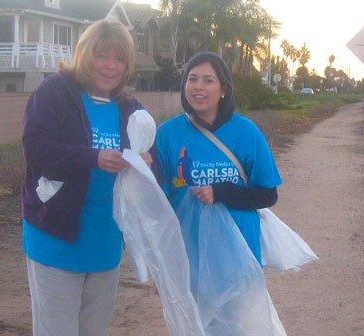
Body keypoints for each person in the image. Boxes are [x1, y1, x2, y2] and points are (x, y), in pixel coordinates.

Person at [21, 19, 151, 336]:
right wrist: (92, 158)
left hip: (105, 244)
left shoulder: (130, 108)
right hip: (56, 239)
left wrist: (147, 162)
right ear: (85, 54)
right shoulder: (54, 92)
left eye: (120, 59)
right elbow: (36, 149)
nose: (111, 66)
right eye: (102, 56)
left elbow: (152, 160)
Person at [155, 51, 281, 269]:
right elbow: (158, 202)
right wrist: (161, 264)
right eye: (192, 79)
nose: (198, 87)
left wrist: (220, 192)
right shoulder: (168, 133)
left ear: (223, 89)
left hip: (239, 256)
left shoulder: (246, 132)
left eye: (208, 80)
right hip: (188, 255)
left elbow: (268, 195)